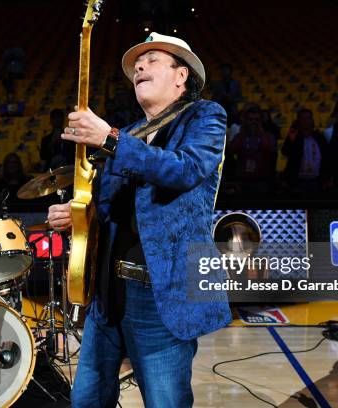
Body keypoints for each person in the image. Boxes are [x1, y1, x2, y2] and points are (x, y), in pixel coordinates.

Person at [47, 32, 231, 407]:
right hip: (107, 294)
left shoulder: (204, 116)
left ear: (181, 76)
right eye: (136, 65)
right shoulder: (129, 133)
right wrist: (80, 214)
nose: (139, 68)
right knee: (86, 400)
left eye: (152, 60)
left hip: (162, 297)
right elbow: (109, 205)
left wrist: (110, 140)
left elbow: (185, 169)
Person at [229, 103, 276, 193]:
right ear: (246, 120)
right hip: (242, 179)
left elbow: (269, 150)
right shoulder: (240, 136)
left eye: (257, 120)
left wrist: (260, 130)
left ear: (261, 121)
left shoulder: (268, 136)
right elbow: (232, 150)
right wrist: (243, 131)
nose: (253, 122)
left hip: (261, 180)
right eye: (250, 119)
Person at [281, 109, 328, 192]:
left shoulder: (320, 138)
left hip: (317, 182)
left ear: (312, 120)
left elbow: (326, 158)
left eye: (308, 118)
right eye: (303, 118)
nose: (306, 121)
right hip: (297, 183)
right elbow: (285, 152)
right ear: (298, 121)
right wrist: (291, 140)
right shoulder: (294, 137)